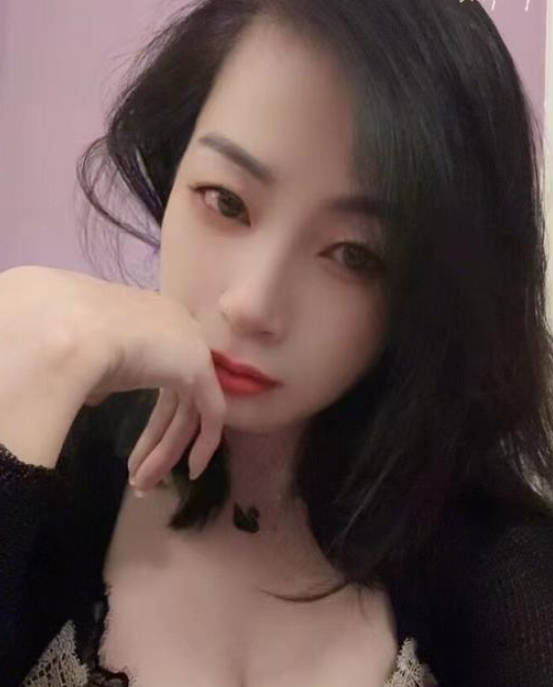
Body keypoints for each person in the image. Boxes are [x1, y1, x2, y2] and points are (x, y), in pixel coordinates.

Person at [1, 0, 553, 684]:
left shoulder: (501, 566)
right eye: (226, 201)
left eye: (353, 253)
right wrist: (34, 356)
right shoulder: (48, 455)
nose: (253, 304)